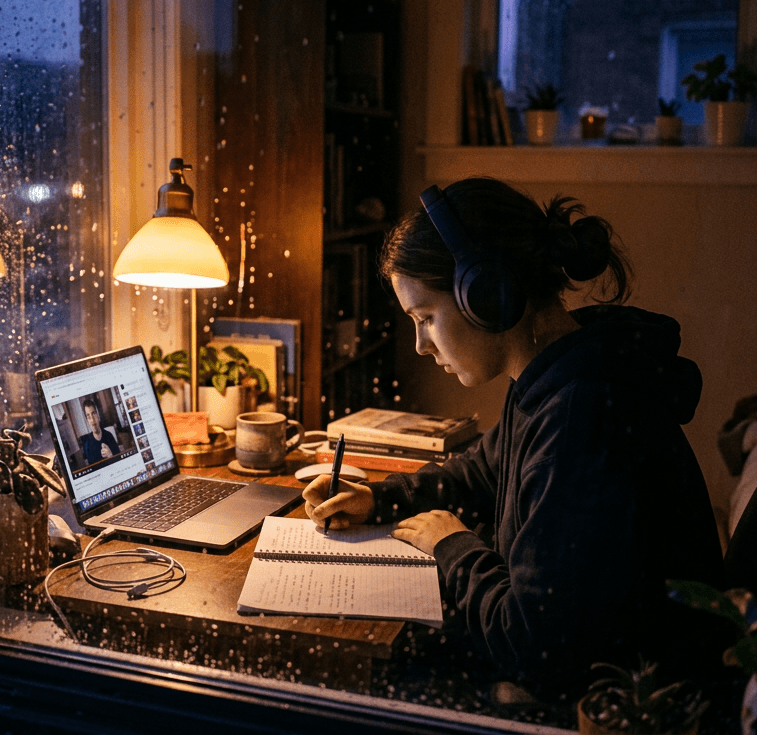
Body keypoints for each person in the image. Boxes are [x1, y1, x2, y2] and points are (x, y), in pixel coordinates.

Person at [304, 177, 724, 695]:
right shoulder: (558, 370)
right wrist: (380, 497)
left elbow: (534, 645)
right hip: (595, 668)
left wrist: (452, 546)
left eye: (426, 318)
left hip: (620, 703)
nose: (420, 345)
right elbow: (484, 468)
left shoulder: (581, 413)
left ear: (488, 295)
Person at [78, 397, 120, 465]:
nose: (92, 420)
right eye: (88, 416)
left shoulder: (109, 435)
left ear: (98, 416)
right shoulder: (87, 445)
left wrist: (111, 456)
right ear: (87, 421)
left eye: (93, 413)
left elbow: (120, 460)